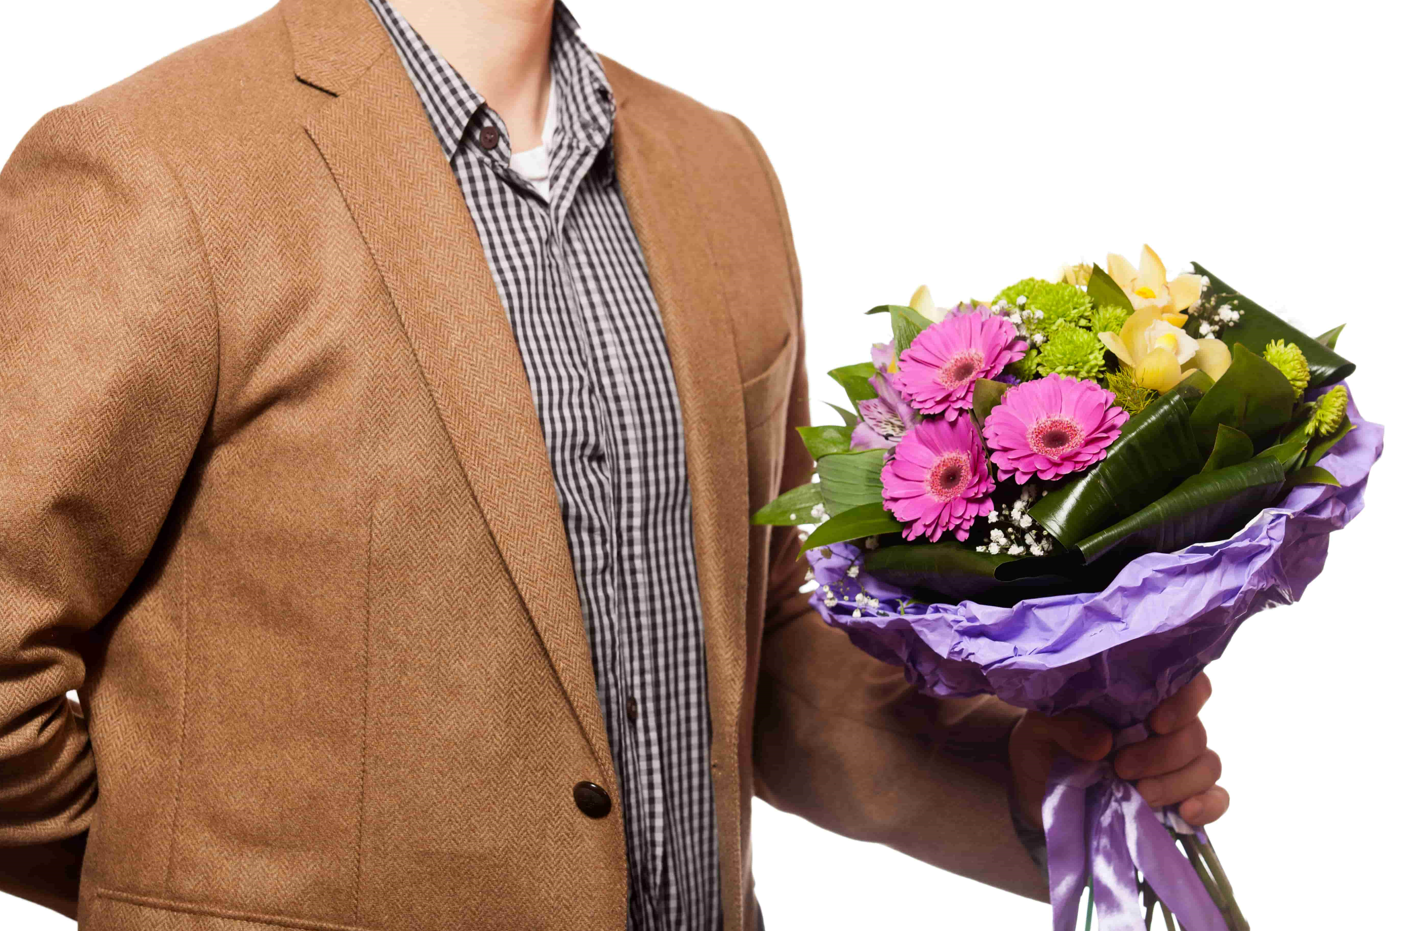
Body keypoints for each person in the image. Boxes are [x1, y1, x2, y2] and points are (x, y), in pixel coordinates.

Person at [0, 0, 1229, 927]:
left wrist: (1016, 773)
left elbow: (768, 637)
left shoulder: (720, 167)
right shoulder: (148, 168)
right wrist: (180, 886)